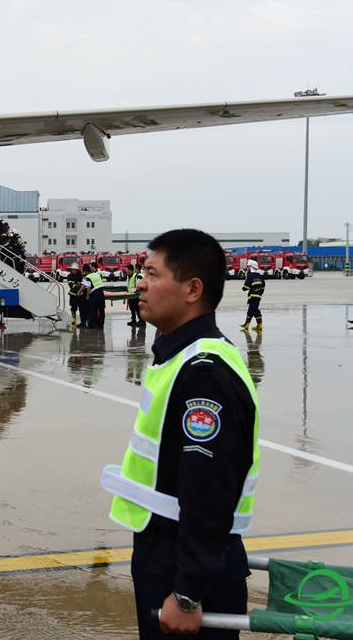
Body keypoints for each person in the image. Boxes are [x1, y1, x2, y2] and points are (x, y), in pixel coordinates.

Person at [102, 229, 259, 639]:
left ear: (192, 289)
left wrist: (188, 592)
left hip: (187, 568)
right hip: (168, 551)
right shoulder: (178, 358)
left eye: (152, 273)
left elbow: (208, 491)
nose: (140, 282)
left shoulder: (204, 373)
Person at [238, 260, 264, 331]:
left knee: (253, 310)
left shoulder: (250, 276)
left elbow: (245, 287)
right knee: (253, 310)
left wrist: (244, 288)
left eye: (248, 267)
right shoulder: (260, 276)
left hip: (252, 296)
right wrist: (260, 293)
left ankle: (253, 325)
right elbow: (263, 286)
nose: (247, 268)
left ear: (251, 267)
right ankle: (250, 325)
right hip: (258, 296)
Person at [82, 262, 106, 328]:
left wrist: (87, 295)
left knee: (94, 309)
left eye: (91, 267)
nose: (90, 268)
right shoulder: (97, 273)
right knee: (101, 309)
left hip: (95, 293)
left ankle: (93, 324)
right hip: (101, 292)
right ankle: (100, 324)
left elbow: (88, 286)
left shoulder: (91, 275)